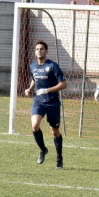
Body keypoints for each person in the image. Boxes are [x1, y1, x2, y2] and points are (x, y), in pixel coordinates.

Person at [24, 40, 67, 168]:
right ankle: (43, 149)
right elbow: (34, 78)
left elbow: (63, 84)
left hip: (53, 103)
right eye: (37, 49)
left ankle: (59, 158)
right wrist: (30, 88)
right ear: (35, 51)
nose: (39, 51)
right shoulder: (33, 66)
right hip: (39, 101)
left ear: (46, 51)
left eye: (42, 49)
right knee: (35, 125)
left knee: (55, 132)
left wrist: (47, 90)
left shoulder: (53, 66)